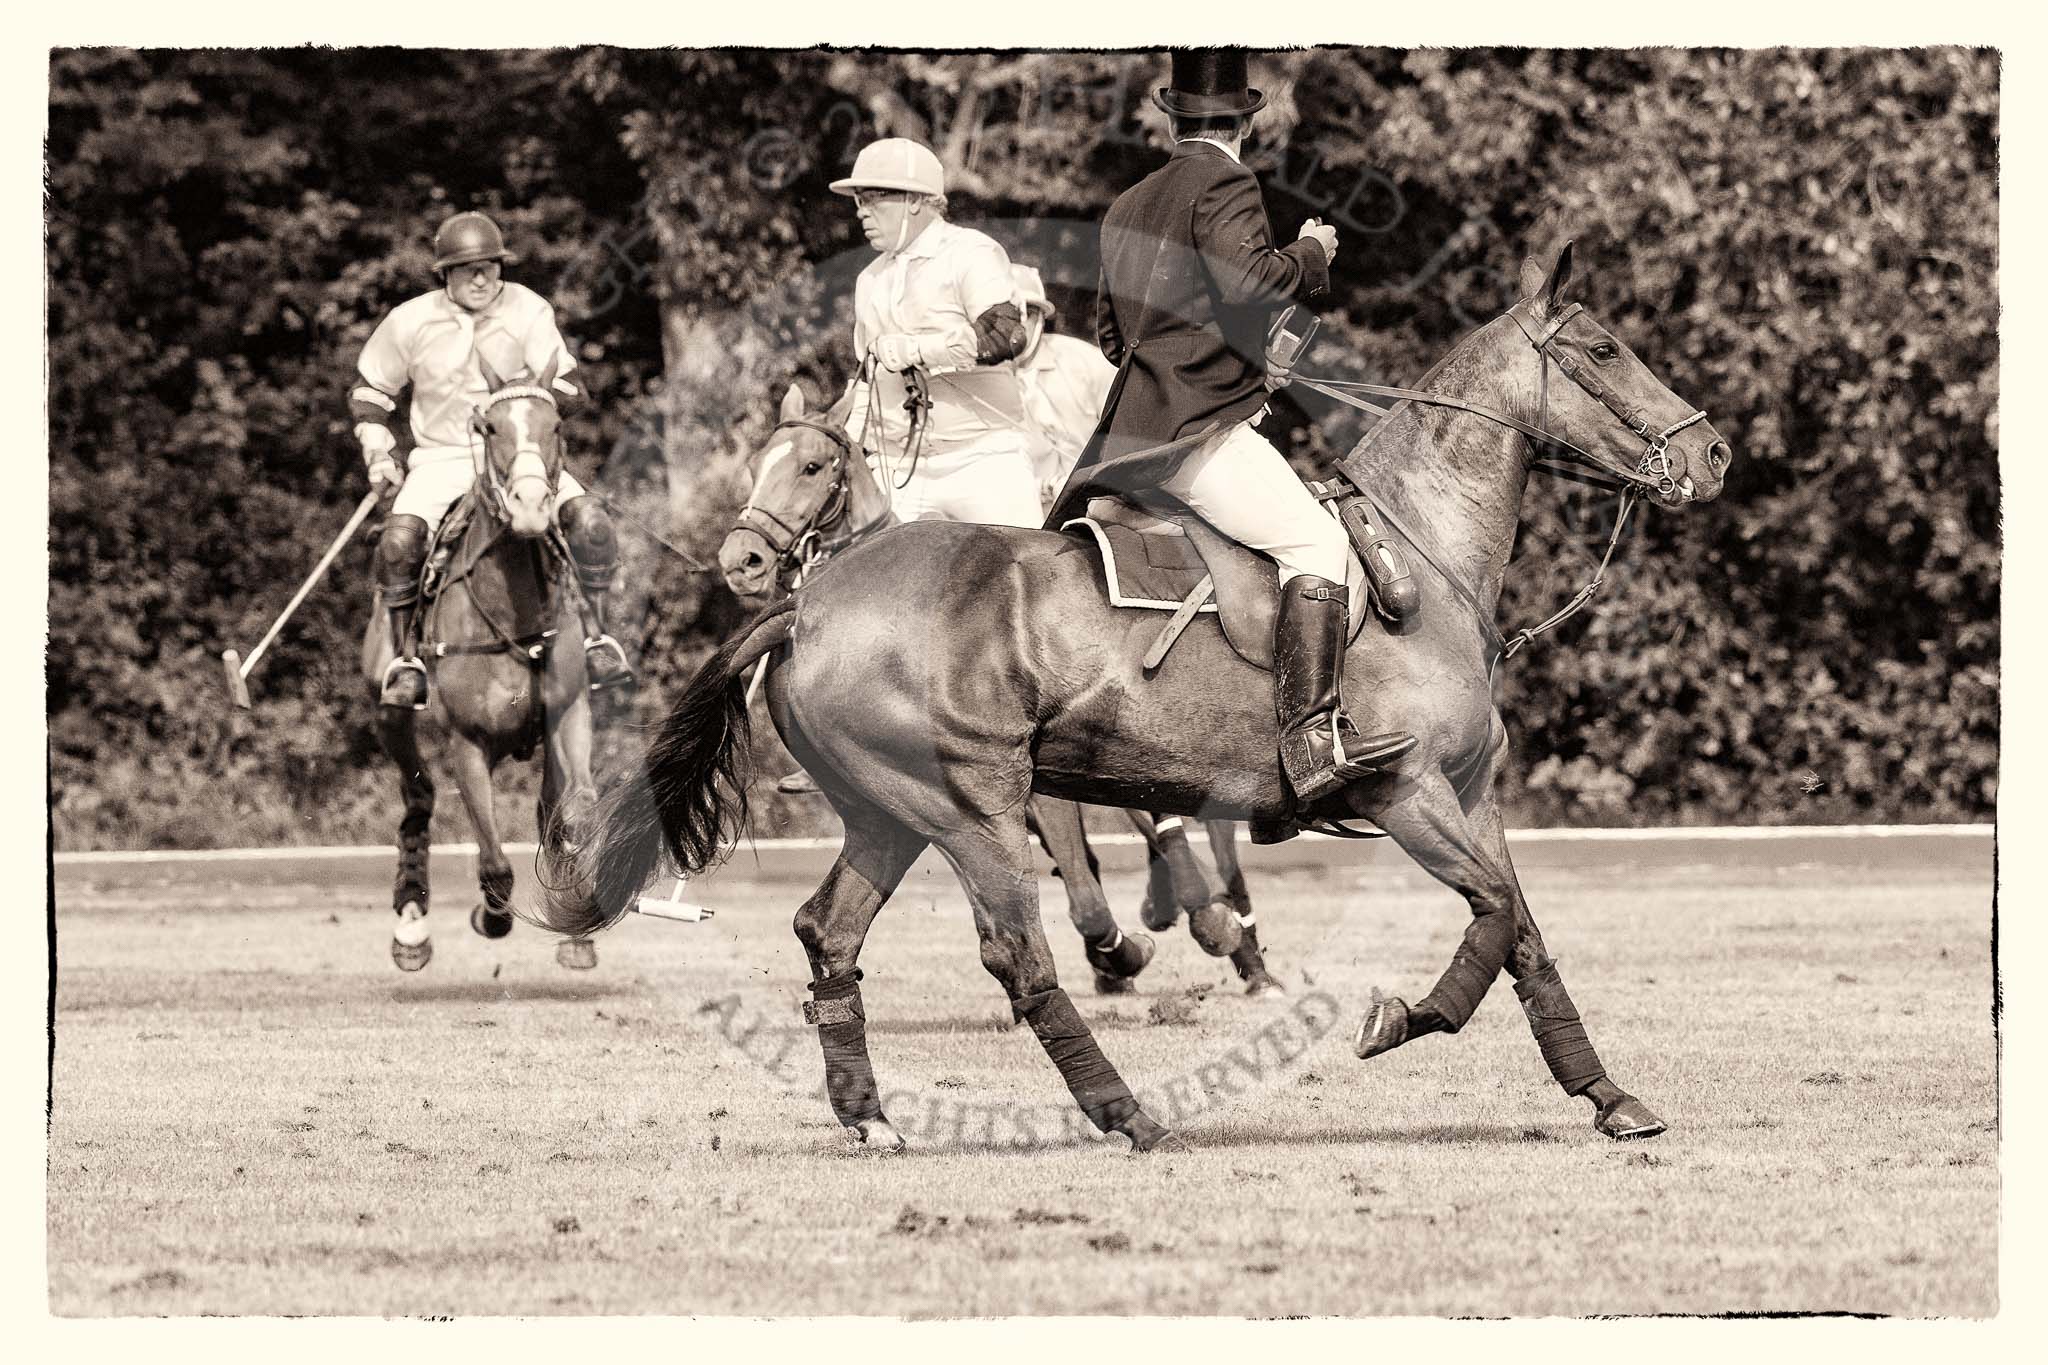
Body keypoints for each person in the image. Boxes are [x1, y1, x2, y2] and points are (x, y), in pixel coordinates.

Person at [1044, 50, 1415, 804]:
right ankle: (1311, 743)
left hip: (1130, 437)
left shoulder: (1126, 204)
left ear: (1174, 118)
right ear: (1243, 123)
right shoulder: (1226, 180)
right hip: (1193, 432)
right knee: (1317, 542)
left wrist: (1245, 364)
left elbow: (1119, 342)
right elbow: (1248, 282)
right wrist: (1311, 253)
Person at [351, 210, 633, 710]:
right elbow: (372, 393)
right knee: (397, 542)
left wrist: (525, 404)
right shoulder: (410, 321)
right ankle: (406, 660)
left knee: (591, 523)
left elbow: (568, 384)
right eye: (467, 269)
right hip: (443, 457)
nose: (481, 277)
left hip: (518, 452)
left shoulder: (528, 309)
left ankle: (597, 640)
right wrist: (379, 453)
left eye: (490, 266)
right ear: (445, 274)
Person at [829, 137, 1041, 528]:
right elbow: (867, 381)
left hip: (982, 459)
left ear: (915, 200)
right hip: (900, 468)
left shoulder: (972, 253)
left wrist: (918, 349)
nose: (862, 212)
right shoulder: (870, 280)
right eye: (859, 200)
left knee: (1034, 571)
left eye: (874, 198)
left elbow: (1006, 335)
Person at [1009, 263, 1118, 513]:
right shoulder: (982, 379)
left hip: (1097, 501)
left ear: (1038, 316)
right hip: (1024, 508)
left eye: (1019, 315)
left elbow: (1126, 428)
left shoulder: (1084, 362)